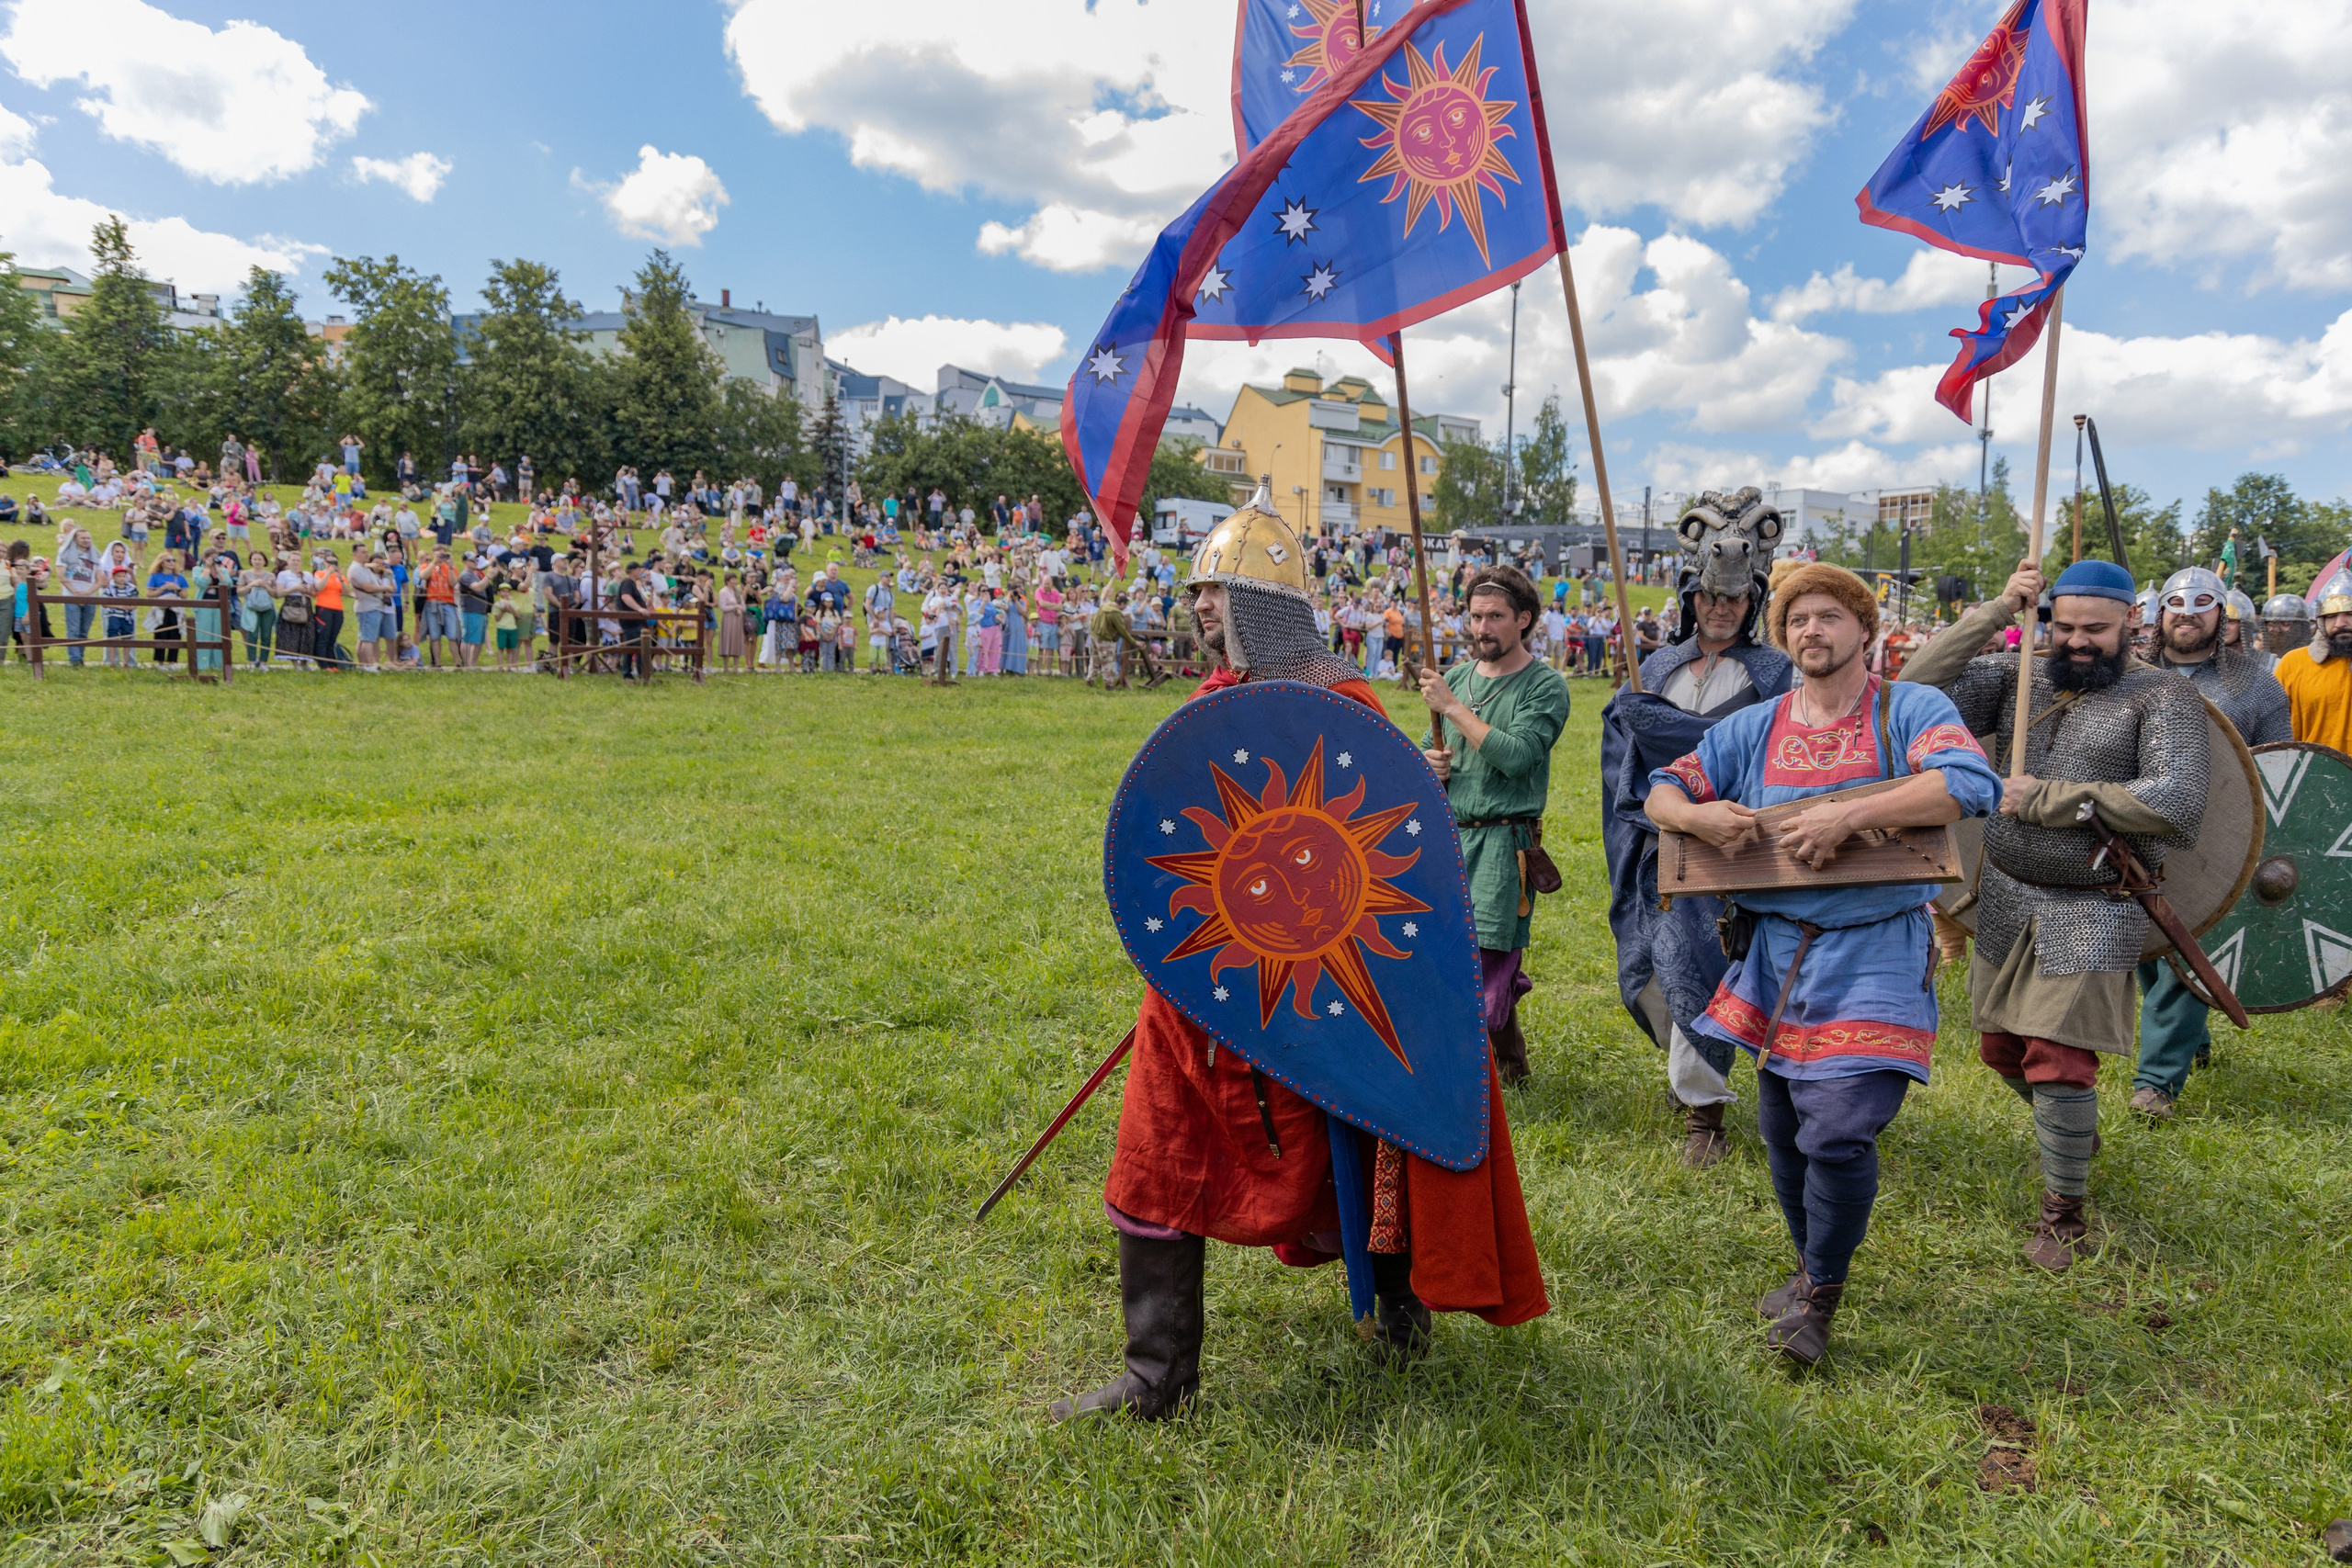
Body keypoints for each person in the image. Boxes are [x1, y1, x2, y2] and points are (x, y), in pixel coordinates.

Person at [1051, 481, 1546, 1425]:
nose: (1201, 606)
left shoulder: (1342, 705)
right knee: (1153, 1154)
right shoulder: (1214, 701)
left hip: (1323, 992)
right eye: (1197, 590)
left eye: (1220, 592)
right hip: (1211, 991)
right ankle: (1157, 1378)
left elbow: (1390, 858)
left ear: (1270, 609)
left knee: (1371, 1143)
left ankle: (1398, 1311)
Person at [1645, 564, 2000, 1361]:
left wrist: (1853, 813)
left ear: (1864, 630)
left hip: (1875, 943)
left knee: (1837, 1131)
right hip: (1772, 952)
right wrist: (1699, 817)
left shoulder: (1908, 706)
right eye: (1798, 618)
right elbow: (1662, 789)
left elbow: (1971, 781)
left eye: (1830, 616)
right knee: (1781, 1127)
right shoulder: (1761, 724)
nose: (1813, 629)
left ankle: (1820, 1294)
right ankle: (1812, 1273)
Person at [1904, 558, 2209, 1273]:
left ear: (2130, 621)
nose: (2077, 641)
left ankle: (2063, 1216)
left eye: (2094, 629)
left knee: (2058, 1057)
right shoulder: (2019, 676)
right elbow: (1914, 685)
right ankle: (2069, 1131)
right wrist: (1997, 609)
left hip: (2092, 902)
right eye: (2063, 626)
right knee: (2000, 1051)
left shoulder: (2161, 695)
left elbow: (2175, 803)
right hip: (2007, 894)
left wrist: (2047, 797)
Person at [1600, 497, 1794, 1166]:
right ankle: (1690, 1079)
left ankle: (1704, 1114)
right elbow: (1621, 756)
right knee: (1650, 970)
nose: (1720, 609)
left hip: (1729, 843)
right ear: (1691, 597)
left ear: (1752, 604)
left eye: (1733, 602)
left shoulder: (1774, 676)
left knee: (1700, 964)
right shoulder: (1654, 667)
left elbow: (1778, 754)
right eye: (1710, 598)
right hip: (1653, 836)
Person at [2129, 568, 2293, 1117]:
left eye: (2203, 604)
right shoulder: (2128, 675)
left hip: (2215, 839)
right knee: (2149, 952)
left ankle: (2155, 1082)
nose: (2187, 613)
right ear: (2160, 613)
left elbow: (2278, 769)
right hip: (2137, 828)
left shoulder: (2257, 686)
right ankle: (2191, 1036)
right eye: (2176, 603)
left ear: (2222, 615)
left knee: (2186, 947)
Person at [1414, 566, 1570, 1086]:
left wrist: (1452, 708)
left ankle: (1470, 1076)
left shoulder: (1544, 686)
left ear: (1523, 620)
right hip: (1448, 836)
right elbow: (1429, 751)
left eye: (1496, 617)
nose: (1482, 627)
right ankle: (1506, 1064)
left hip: (1504, 844)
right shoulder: (1455, 678)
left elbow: (1517, 755)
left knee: (1487, 959)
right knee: (1445, 953)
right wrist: (1429, 763)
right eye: (1476, 616)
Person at [2273, 567, 2352, 754]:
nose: (2340, 623)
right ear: (2320, 621)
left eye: (2349, 614)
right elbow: (2271, 730)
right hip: (2310, 777)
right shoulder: (2293, 663)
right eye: (2331, 616)